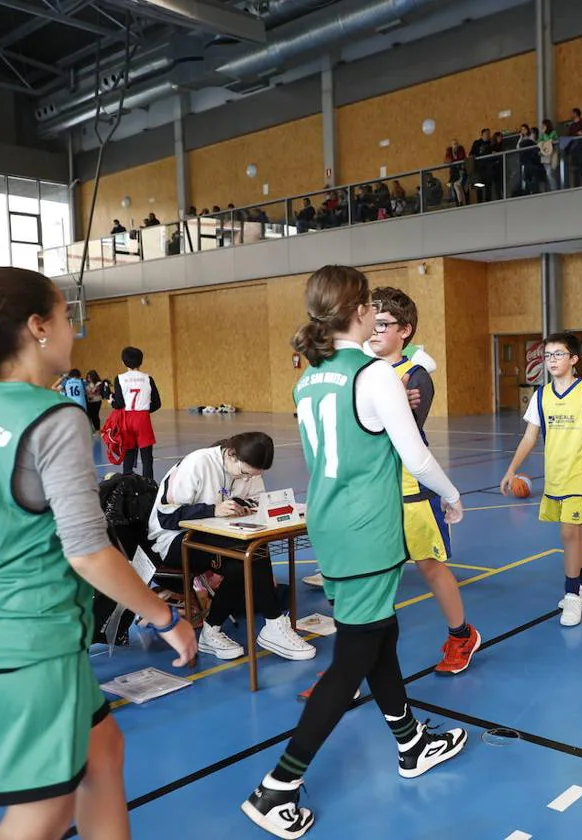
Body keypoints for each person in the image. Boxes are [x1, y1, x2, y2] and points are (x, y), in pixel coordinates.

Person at [0, 266, 195, 840]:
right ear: (37, 327)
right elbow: (89, 552)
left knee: (104, 753)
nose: (75, 331)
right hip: (24, 645)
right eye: (67, 317)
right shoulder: (52, 415)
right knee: (41, 815)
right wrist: (165, 616)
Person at [242, 265, 467, 838]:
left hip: (331, 525)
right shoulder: (373, 375)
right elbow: (414, 456)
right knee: (351, 659)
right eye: (369, 304)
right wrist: (451, 492)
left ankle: (411, 742)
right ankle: (279, 785)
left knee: (377, 635)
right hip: (367, 531)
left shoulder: (310, 377)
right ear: (358, 310)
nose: (374, 313)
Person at [365, 286, 480, 675]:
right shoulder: (363, 371)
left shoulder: (415, 377)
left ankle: (462, 634)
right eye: (371, 322)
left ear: (405, 330)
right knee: (376, 572)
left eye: (384, 324)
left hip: (411, 488)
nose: (374, 330)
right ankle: (353, 661)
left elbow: (405, 434)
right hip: (373, 491)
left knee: (429, 566)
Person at [148, 432, 315, 661]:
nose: (248, 479)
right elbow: (166, 517)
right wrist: (212, 510)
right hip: (175, 538)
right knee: (243, 556)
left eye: (253, 475)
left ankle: (214, 630)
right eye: (245, 473)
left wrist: (242, 506)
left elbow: (256, 500)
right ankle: (272, 624)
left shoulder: (248, 470)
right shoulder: (198, 463)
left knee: (251, 552)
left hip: (221, 533)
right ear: (231, 455)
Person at [501, 332, 582, 627]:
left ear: (574, 359)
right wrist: (511, 470)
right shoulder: (541, 395)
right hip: (556, 476)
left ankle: (572, 595)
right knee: (574, 534)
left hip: (580, 473)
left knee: (567, 533)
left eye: (558, 354)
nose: (552, 360)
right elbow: (528, 437)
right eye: (548, 355)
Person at [112, 346, 160, 480]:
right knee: (147, 458)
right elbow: (157, 403)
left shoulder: (119, 378)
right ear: (141, 361)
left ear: (123, 362)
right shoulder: (148, 379)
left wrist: (111, 401)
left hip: (127, 419)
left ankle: (127, 485)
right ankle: (149, 485)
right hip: (143, 418)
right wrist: (144, 409)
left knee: (128, 454)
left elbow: (119, 404)